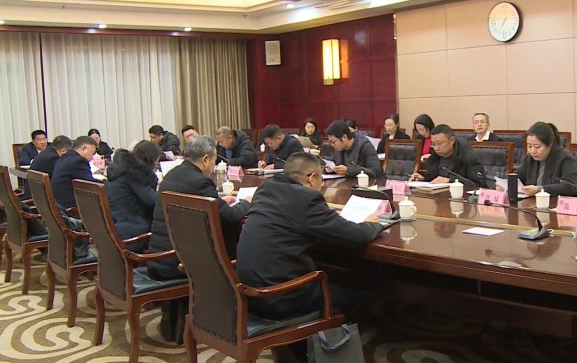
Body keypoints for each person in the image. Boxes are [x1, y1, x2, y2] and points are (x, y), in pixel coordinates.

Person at [236, 152, 384, 320]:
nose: (322, 185)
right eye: (321, 180)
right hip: (281, 298)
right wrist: (372, 223)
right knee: (359, 296)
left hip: (249, 294)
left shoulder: (265, 189)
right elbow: (356, 236)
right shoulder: (306, 198)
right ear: (312, 178)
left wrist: (325, 217)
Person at [147, 135, 252, 282]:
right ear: (205, 159)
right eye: (214, 161)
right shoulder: (200, 182)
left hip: (161, 258)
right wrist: (247, 202)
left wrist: (217, 202)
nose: (214, 165)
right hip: (180, 263)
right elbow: (229, 217)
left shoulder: (173, 174)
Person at [106, 141, 161, 240]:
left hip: (115, 225)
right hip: (131, 230)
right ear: (153, 160)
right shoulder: (136, 176)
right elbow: (155, 202)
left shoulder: (122, 170)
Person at [409, 124, 485, 187]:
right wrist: (423, 178)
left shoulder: (469, 156)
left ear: (452, 140)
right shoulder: (435, 157)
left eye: (439, 143)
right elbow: (433, 179)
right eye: (433, 144)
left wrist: (450, 180)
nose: (436, 148)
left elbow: (478, 185)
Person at [518, 122, 577, 196]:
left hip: (556, 201)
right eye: (529, 146)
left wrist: (539, 189)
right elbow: (518, 178)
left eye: (537, 147)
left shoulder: (565, 158)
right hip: (532, 201)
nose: (533, 151)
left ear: (550, 144)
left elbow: (570, 187)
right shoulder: (529, 159)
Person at [51, 136, 97, 208]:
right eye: (92, 152)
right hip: (69, 207)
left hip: (59, 204)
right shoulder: (79, 161)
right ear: (84, 149)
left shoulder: (65, 156)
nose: (92, 157)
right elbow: (92, 185)